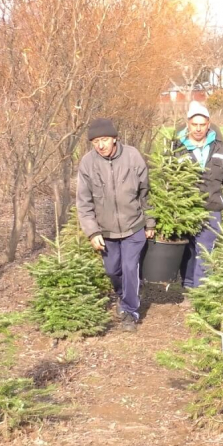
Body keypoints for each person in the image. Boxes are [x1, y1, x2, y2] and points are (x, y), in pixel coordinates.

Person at [76, 118, 155, 332]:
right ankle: (123, 296)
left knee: (130, 268)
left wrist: (150, 221)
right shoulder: (87, 163)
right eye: (95, 142)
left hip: (133, 226)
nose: (100, 145)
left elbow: (146, 193)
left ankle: (130, 311)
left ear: (114, 139)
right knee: (113, 271)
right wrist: (92, 232)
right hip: (106, 230)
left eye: (104, 140)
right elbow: (83, 202)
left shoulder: (132, 156)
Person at [174, 101, 223, 288]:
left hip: (212, 208)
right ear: (188, 124)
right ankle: (188, 285)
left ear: (208, 125)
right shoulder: (176, 149)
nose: (198, 129)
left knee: (205, 250)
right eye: (194, 124)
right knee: (187, 250)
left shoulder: (220, 149)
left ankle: (200, 291)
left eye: (202, 124)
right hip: (184, 210)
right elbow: (164, 178)